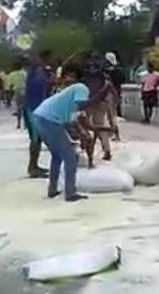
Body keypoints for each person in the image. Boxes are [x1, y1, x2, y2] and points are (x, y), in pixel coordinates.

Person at [33, 70, 110, 202]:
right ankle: (70, 193)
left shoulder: (75, 94)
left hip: (41, 117)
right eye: (99, 84)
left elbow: (79, 123)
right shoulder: (81, 88)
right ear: (93, 82)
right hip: (49, 119)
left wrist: (103, 129)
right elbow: (82, 105)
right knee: (70, 156)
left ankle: (52, 189)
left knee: (57, 156)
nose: (98, 88)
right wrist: (102, 94)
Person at [23, 50, 52, 178]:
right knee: (35, 139)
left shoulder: (36, 72)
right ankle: (32, 167)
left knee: (38, 139)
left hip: (35, 108)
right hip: (33, 109)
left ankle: (34, 166)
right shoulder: (38, 73)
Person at [104, 52, 125, 138]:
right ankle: (113, 132)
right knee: (112, 114)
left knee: (111, 114)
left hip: (110, 93)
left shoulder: (111, 71)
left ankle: (114, 132)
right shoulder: (118, 69)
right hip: (116, 92)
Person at [7, 60, 27, 129]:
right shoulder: (24, 73)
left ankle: (18, 123)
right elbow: (27, 82)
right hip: (24, 91)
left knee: (18, 108)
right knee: (25, 108)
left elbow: (10, 85)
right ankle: (25, 123)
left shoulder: (11, 74)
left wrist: (10, 92)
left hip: (17, 91)